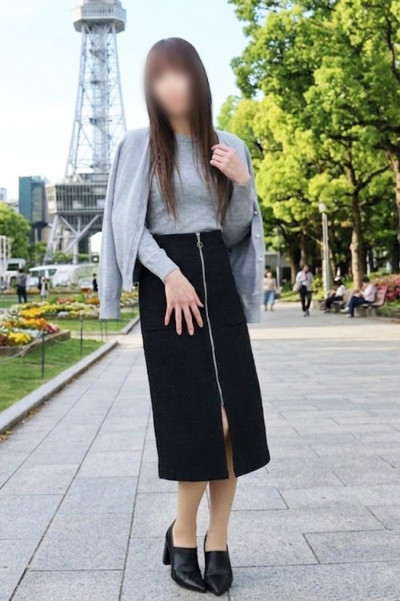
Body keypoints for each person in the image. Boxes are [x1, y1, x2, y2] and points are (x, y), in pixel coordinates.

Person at [99, 38, 270, 596]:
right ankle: (183, 535)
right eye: (160, 76)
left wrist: (243, 184)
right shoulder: (139, 146)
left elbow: (236, 231)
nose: (171, 84)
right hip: (168, 290)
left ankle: (216, 541)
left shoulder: (229, 144)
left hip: (217, 281)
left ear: (198, 78)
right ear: (151, 87)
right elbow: (127, 224)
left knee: (233, 420)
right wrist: (169, 274)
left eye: (180, 73)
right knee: (197, 420)